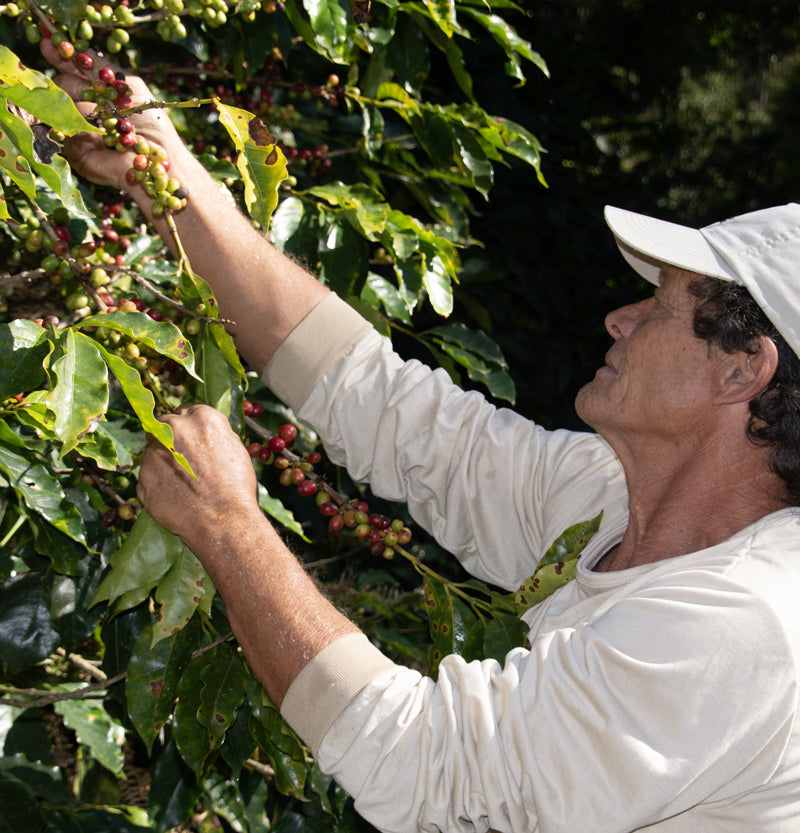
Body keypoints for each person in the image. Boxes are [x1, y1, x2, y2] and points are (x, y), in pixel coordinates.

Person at [43, 42, 800, 832]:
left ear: (741, 371)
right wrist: (164, 176)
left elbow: (433, 771)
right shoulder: (607, 501)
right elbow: (377, 399)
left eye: (662, 304)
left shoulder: (747, 624)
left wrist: (229, 526)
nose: (621, 317)